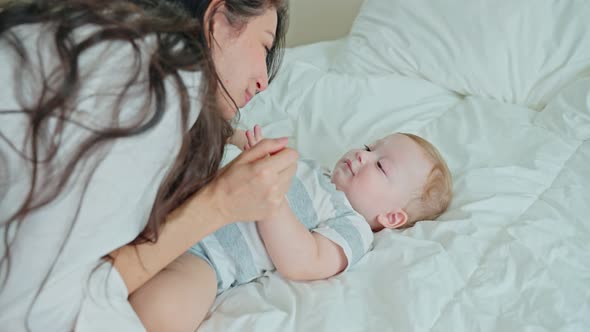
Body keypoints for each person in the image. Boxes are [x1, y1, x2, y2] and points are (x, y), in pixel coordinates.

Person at [0, 0, 295, 331]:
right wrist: (220, 203)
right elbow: (45, 311)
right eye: (264, 44)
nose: (263, 81)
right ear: (219, 18)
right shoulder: (163, 80)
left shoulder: (104, 40)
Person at [130, 125, 453, 331]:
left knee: (163, 312)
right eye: (370, 148)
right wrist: (237, 137)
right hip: (170, 209)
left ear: (392, 217)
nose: (362, 156)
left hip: (208, 258)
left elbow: (302, 261)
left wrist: (272, 196)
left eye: (380, 166)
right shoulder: (311, 168)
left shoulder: (352, 227)